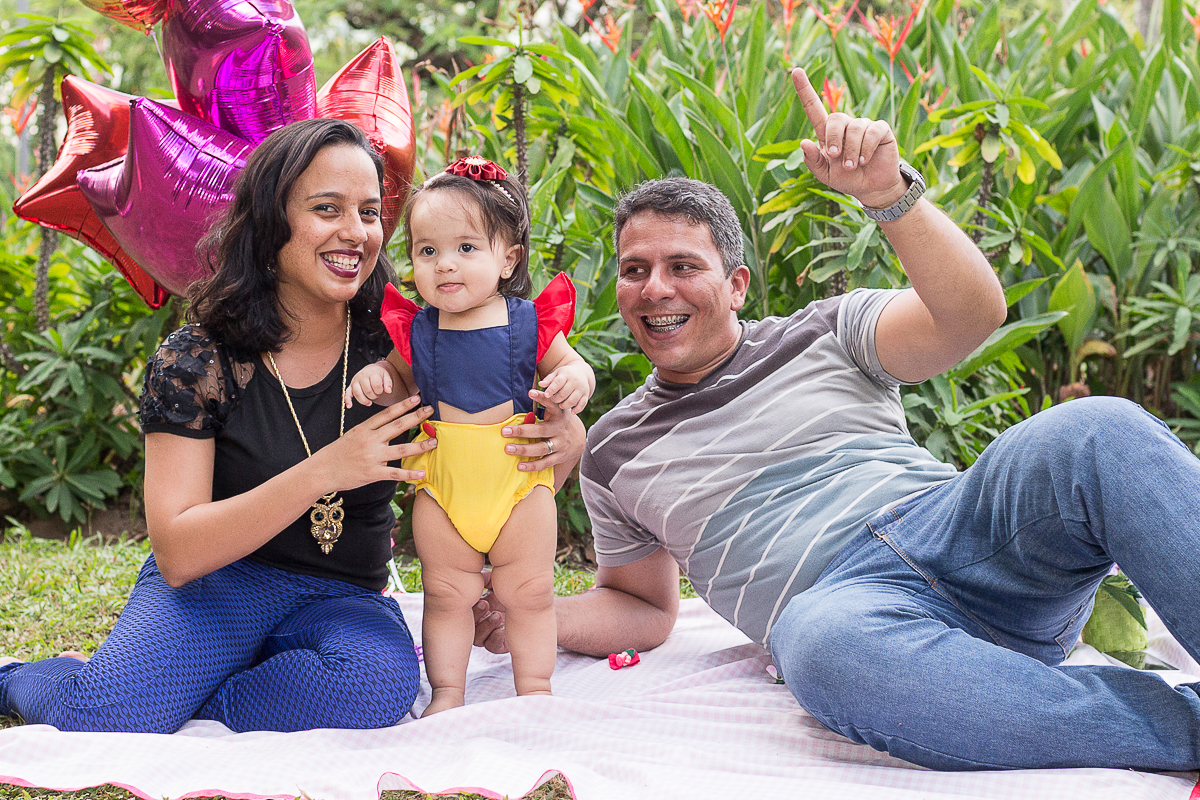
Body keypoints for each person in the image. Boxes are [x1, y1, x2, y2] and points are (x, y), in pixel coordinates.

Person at [472, 68, 1200, 771]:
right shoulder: (615, 450)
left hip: (959, 529)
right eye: (634, 270)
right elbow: (643, 608)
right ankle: (1179, 724)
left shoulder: (827, 330)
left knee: (1099, 432)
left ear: (735, 284)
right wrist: (530, 612)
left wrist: (889, 195)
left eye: (682, 266)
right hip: (852, 615)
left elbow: (972, 315)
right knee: (817, 647)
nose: (654, 288)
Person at [0, 119, 585, 734]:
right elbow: (176, 552)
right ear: (269, 221)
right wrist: (328, 469)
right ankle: (30, 678)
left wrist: (565, 437)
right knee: (110, 711)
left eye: (367, 212)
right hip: (219, 584)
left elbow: (503, 435)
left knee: (370, 692)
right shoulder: (198, 358)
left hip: (344, 598)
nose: (355, 233)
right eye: (326, 209)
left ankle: (198, 694)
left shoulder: (405, 342)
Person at [346, 156, 595, 716]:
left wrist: (573, 379)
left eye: (466, 248)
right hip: (443, 486)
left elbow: (576, 366)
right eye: (427, 251)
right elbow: (397, 383)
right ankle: (449, 692)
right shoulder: (417, 329)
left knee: (529, 593)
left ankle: (534, 689)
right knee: (446, 594)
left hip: (518, 483)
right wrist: (377, 379)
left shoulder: (527, 323)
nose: (445, 265)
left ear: (508, 259)